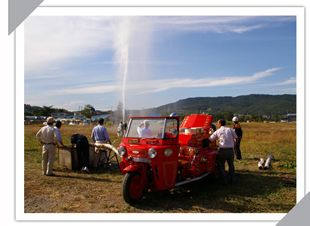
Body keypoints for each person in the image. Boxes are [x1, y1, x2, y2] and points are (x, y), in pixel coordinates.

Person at [208, 119, 239, 185]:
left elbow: (210, 139)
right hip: (230, 150)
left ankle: (224, 181)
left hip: (223, 151)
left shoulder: (218, 131)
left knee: (221, 166)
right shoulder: (230, 130)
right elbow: (236, 138)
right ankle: (233, 180)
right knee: (231, 165)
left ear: (220, 124)